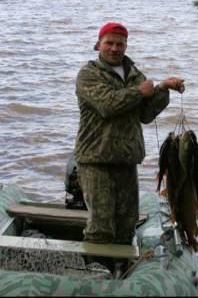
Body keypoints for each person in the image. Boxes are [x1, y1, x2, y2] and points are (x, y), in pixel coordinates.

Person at [74, 22, 185, 252]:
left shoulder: (135, 74)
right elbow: (107, 106)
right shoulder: (88, 74)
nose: (114, 48)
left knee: (126, 225)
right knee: (101, 226)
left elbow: (144, 115)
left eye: (119, 44)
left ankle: (121, 268)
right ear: (98, 44)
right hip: (96, 160)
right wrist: (139, 92)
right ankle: (96, 272)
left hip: (126, 160)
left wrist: (163, 89)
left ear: (126, 46)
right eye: (109, 43)